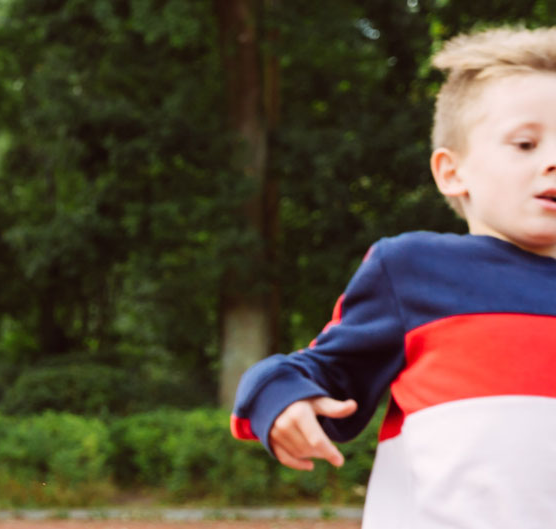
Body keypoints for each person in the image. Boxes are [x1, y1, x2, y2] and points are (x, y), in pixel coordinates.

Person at [229, 26, 556, 528]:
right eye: (526, 143)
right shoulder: (413, 270)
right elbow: (318, 372)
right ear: (452, 171)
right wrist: (280, 396)